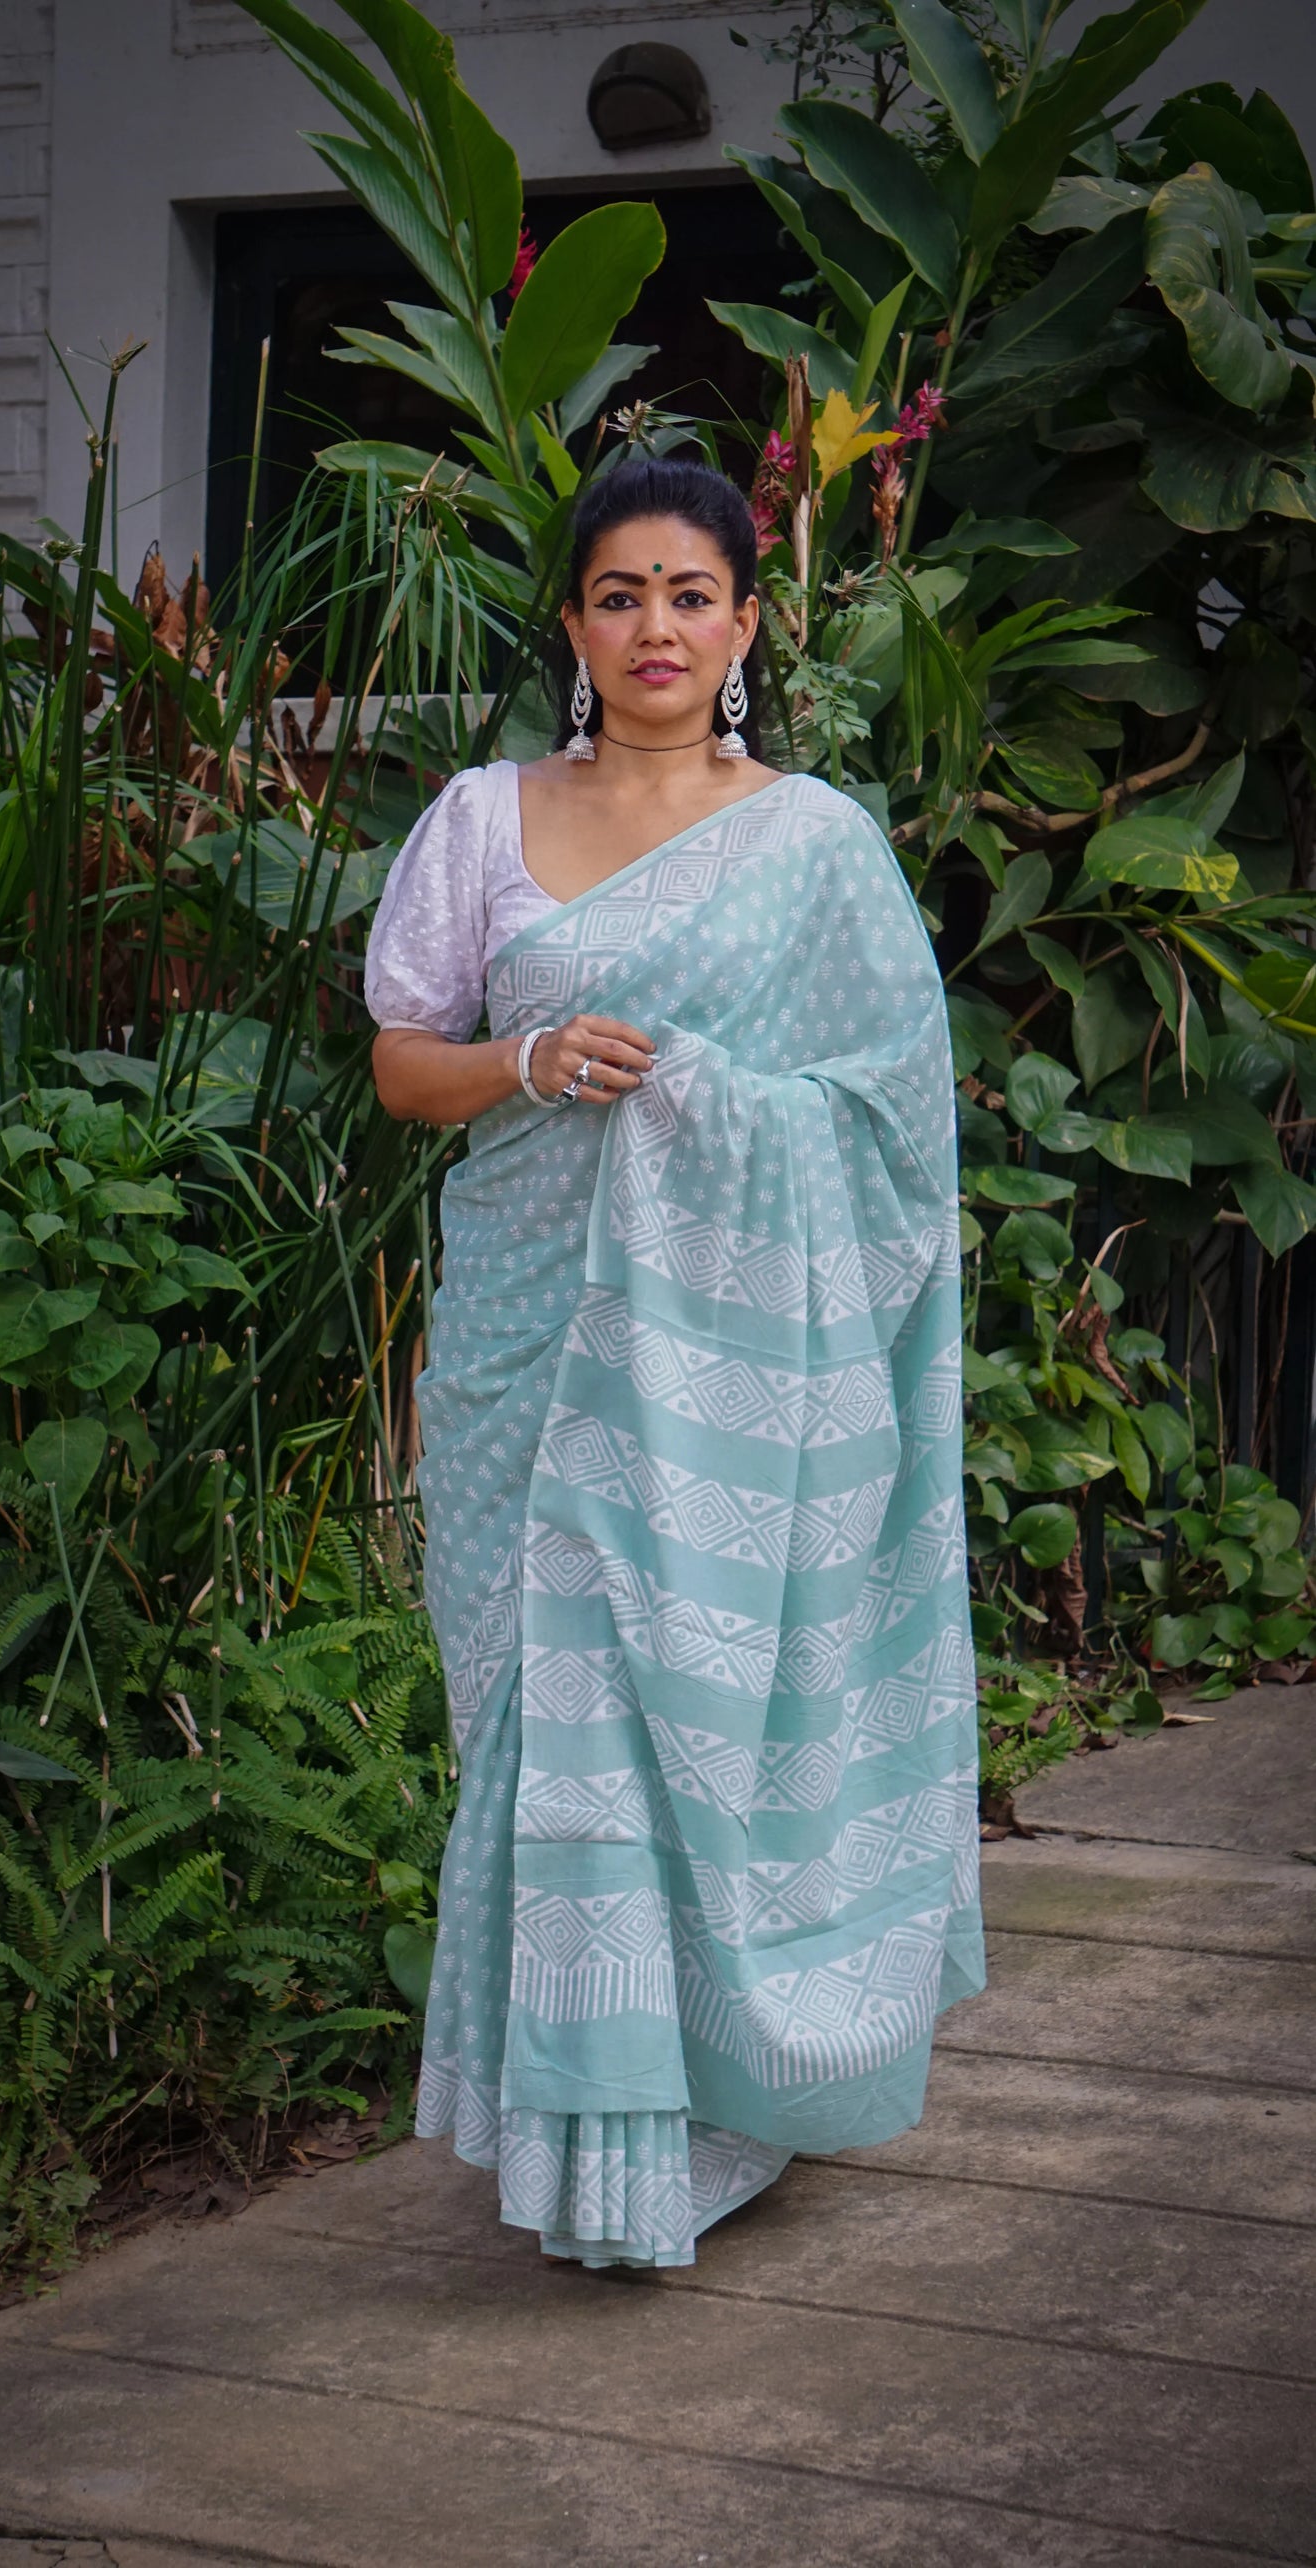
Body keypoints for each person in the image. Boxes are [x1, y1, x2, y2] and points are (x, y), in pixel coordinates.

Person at [365, 454, 984, 2270]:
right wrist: (530, 1060)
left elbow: (891, 1125)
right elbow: (404, 1064)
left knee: (685, 1712)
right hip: (524, 1340)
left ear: (744, 623)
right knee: (542, 1725)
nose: (655, 626)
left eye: (689, 594)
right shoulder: (481, 818)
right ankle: (587, 2138)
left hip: (728, 1377)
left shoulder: (815, 845)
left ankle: (699, 2117)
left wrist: (711, 1097)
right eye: (619, 594)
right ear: (572, 626)